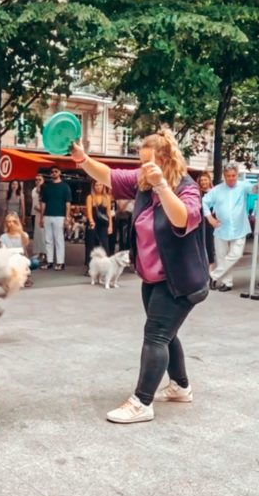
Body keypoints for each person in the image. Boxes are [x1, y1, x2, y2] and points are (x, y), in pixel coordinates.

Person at [70, 131, 207, 424]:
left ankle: (141, 402)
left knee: (156, 335)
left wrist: (161, 186)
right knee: (166, 334)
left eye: (149, 164)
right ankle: (181, 386)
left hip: (180, 281)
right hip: (152, 278)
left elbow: (182, 217)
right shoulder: (143, 183)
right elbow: (108, 175)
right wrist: (83, 160)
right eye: (141, 162)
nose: (142, 169)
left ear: (167, 161)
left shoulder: (187, 189)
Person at [202, 162, 255, 292]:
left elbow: (254, 189)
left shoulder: (243, 186)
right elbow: (204, 201)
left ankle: (213, 276)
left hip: (240, 227)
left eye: (233, 175)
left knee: (236, 254)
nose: (231, 178)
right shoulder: (217, 189)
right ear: (224, 176)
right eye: (228, 176)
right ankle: (227, 282)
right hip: (221, 227)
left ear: (237, 175)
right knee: (221, 256)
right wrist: (209, 218)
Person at [39, 166, 72, 270]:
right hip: (47, 215)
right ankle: (49, 261)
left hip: (59, 216)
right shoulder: (47, 187)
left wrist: (67, 217)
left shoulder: (65, 187)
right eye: (52, 172)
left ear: (60, 172)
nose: (53, 173)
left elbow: (68, 203)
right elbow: (43, 203)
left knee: (59, 239)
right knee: (48, 239)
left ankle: (60, 262)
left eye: (55, 171)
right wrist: (41, 217)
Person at [83, 180, 113, 274]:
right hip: (93, 223)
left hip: (104, 223)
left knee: (105, 244)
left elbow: (109, 212)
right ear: (93, 186)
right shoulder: (90, 197)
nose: (98, 187)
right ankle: (90, 267)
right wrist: (91, 221)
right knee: (91, 245)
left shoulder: (107, 197)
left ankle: (105, 267)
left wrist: (110, 226)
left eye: (100, 185)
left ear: (103, 186)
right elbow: (89, 211)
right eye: (96, 185)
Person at [0, 213, 33, 287]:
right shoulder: (3, 237)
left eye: (14, 221)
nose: (11, 224)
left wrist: (20, 232)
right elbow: (3, 251)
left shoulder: (23, 234)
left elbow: (26, 244)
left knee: (32, 261)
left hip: (21, 258)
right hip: (9, 258)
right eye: (9, 221)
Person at [196, 173, 215, 269]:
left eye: (205, 180)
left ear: (209, 181)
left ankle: (210, 274)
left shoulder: (214, 193)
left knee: (209, 247)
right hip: (198, 223)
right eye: (201, 180)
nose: (203, 182)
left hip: (209, 224)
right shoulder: (197, 193)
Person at [30, 175, 46, 260]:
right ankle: (38, 252)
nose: (38, 181)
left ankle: (44, 253)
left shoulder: (45, 190)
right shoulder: (33, 190)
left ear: (43, 181)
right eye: (36, 180)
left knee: (43, 234)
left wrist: (41, 210)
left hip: (43, 214)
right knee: (37, 234)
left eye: (40, 180)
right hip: (35, 214)